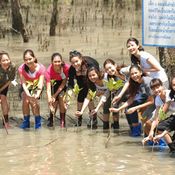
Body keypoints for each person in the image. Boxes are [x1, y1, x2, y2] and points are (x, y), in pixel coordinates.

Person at [110, 65, 155, 136]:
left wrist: (135, 108)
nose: (134, 75)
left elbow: (152, 101)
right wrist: (118, 109)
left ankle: (158, 140)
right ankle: (136, 130)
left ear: (140, 72)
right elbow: (131, 99)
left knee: (147, 121)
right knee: (130, 107)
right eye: (132, 74)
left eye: (136, 73)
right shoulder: (134, 82)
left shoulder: (147, 82)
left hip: (157, 101)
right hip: (146, 98)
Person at [67, 50, 99, 127]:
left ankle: (93, 119)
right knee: (81, 93)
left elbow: (96, 76)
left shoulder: (90, 64)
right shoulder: (72, 69)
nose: (75, 64)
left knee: (89, 96)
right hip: (81, 79)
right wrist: (68, 98)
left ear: (81, 59)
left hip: (91, 77)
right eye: (73, 63)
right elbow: (70, 84)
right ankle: (79, 118)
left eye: (77, 61)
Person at [144, 78, 175, 153]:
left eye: (158, 87)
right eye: (153, 89)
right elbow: (156, 116)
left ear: (162, 86)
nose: (156, 90)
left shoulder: (169, 94)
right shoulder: (157, 98)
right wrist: (151, 132)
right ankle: (172, 148)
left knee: (160, 126)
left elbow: (161, 114)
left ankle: (171, 147)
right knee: (156, 127)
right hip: (172, 116)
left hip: (173, 116)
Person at [18, 49, 45, 129]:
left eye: (30, 59)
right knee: (26, 100)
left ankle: (37, 122)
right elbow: (23, 83)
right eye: (26, 60)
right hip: (26, 86)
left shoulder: (41, 68)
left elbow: (40, 83)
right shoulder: (21, 68)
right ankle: (26, 122)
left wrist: (36, 95)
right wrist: (28, 95)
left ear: (34, 58)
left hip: (37, 86)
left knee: (34, 102)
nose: (28, 61)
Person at [45, 52, 70, 128]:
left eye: (59, 61)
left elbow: (64, 82)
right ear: (52, 62)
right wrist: (50, 98)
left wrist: (56, 95)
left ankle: (62, 120)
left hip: (62, 83)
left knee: (61, 99)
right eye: (55, 62)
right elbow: (48, 88)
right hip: (53, 84)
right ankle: (51, 119)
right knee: (54, 102)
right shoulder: (48, 71)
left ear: (61, 61)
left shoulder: (66, 68)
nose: (57, 63)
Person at [0, 51, 16, 128]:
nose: (6, 62)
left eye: (7, 60)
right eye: (3, 61)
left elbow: (10, 80)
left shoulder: (12, 66)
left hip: (4, 84)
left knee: (3, 98)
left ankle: (6, 122)